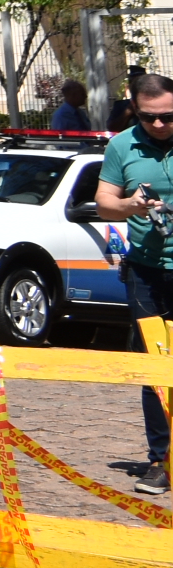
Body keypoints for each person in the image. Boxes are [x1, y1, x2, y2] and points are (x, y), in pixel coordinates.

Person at [96, 72, 173, 494]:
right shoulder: (122, 145)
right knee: (155, 368)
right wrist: (129, 205)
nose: (160, 125)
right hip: (146, 271)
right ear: (135, 111)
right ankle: (161, 461)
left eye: (169, 116)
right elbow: (105, 202)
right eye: (150, 118)